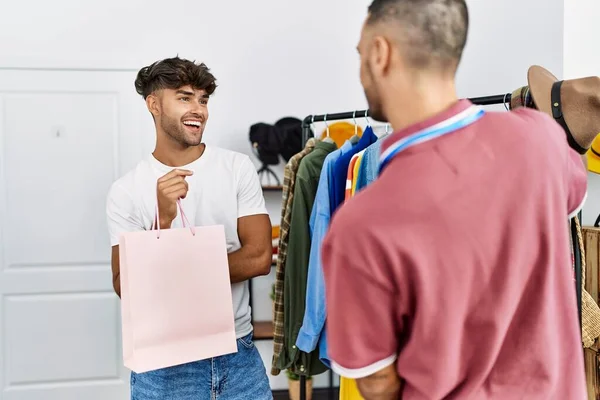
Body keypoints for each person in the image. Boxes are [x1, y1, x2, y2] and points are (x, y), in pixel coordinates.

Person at [321, 1, 589, 399]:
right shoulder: (541, 140)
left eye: (360, 53)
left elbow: (377, 381)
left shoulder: (362, 222)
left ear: (380, 52)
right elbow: (564, 200)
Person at [106, 57, 274, 400]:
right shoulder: (127, 190)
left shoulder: (237, 168)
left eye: (203, 99)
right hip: (163, 367)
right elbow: (126, 286)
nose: (198, 109)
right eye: (184, 98)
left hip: (238, 356)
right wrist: (162, 221)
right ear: (154, 104)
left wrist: (174, 273)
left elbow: (258, 258)